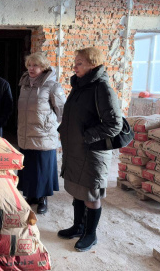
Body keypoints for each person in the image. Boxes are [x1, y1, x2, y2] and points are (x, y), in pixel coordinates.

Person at [58, 47, 122, 252]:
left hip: (92, 152)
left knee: (91, 194)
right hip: (76, 149)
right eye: (75, 62)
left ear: (93, 64)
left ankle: (90, 234)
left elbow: (114, 124)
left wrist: (87, 136)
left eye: (79, 63)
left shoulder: (101, 88)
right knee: (78, 189)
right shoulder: (80, 86)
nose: (74, 66)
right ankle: (78, 227)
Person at [17, 52, 66, 214]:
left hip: (43, 135)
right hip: (26, 133)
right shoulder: (24, 84)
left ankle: (43, 198)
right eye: (29, 65)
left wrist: (49, 125)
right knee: (29, 166)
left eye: (35, 65)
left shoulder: (52, 86)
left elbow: (62, 111)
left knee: (42, 168)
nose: (31, 68)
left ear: (43, 67)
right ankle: (31, 196)